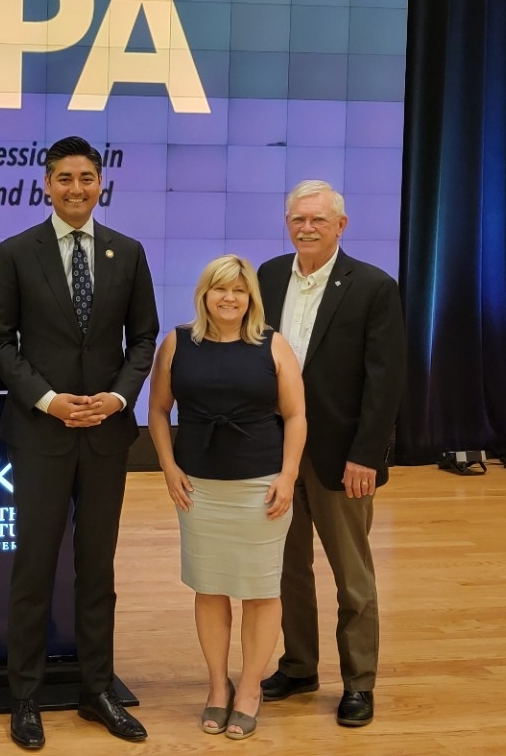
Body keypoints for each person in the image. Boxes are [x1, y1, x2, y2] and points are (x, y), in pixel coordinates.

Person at [0, 136, 159, 748]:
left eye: (87, 177)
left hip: (106, 435)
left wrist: (115, 399)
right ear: (46, 184)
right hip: (40, 432)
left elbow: (143, 339)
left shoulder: (128, 252)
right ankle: (25, 697)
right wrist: (50, 400)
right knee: (32, 568)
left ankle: (97, 691)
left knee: (97, 568)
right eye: (65, 178)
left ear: (101, 182)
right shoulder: (14, 252)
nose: (76, 188)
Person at [256, 180, 406, 728]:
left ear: (341, 225)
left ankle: (359, 682)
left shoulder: (373, 287)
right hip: (275, 455)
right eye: (298, 218)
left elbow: (384, 381)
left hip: (342, 459)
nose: (307, 228)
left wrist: (367, 454)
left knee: (353, 577)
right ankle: (298, 666)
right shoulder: (268, 276)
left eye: (318, 219)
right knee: (286, 569)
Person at [147, 255, 307, 740]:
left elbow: (296, 416)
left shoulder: (273, 345)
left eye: (239, 291)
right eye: (220, 289)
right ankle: (218, 687)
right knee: (210, 587)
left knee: (261, 591)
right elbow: (157, 411)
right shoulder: (177, 342)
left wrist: (288, 476)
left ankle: (252, 688)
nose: (229, 298)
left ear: (251, 298)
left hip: (262, 488)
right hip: (199, 487)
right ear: (205, 295)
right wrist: (169, 466)